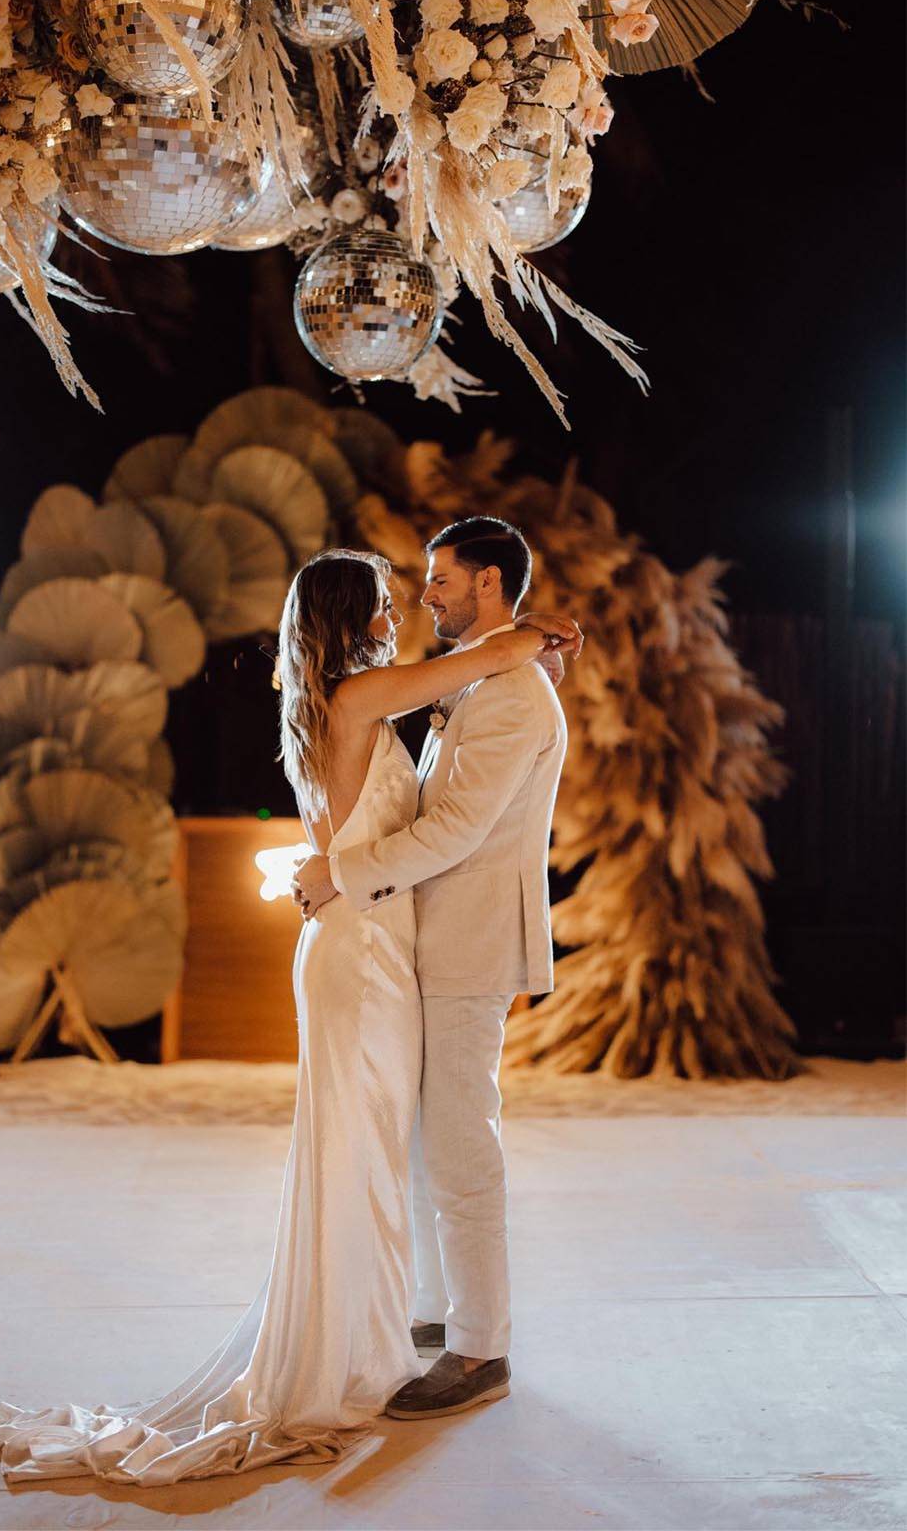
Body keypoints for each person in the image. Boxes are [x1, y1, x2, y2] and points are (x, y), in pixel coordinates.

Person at [0, 546, 580, 1486]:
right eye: (390, 597)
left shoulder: (356, 693)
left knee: (374, 1146)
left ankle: (388, 1323)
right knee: (360, 1150)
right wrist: (525, 639)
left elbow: (453, 740)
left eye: (432, 584)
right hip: (363, 951)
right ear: (352, 616)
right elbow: (469, 679)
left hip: (376, 942)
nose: (409, 603)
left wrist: (524, 653)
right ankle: (355, 1342)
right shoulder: (367, 694)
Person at [294, 517, 575, 1422]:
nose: (426, 596)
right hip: (418, 939)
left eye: (440, 579)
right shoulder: (485, 678)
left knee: (459, 1144)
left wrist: (343, 871)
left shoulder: (513, 694)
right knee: (423, 1139)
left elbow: (456, 830)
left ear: (488, 582)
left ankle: (481, 1348)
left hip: (467, 944)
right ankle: (431, 1316)